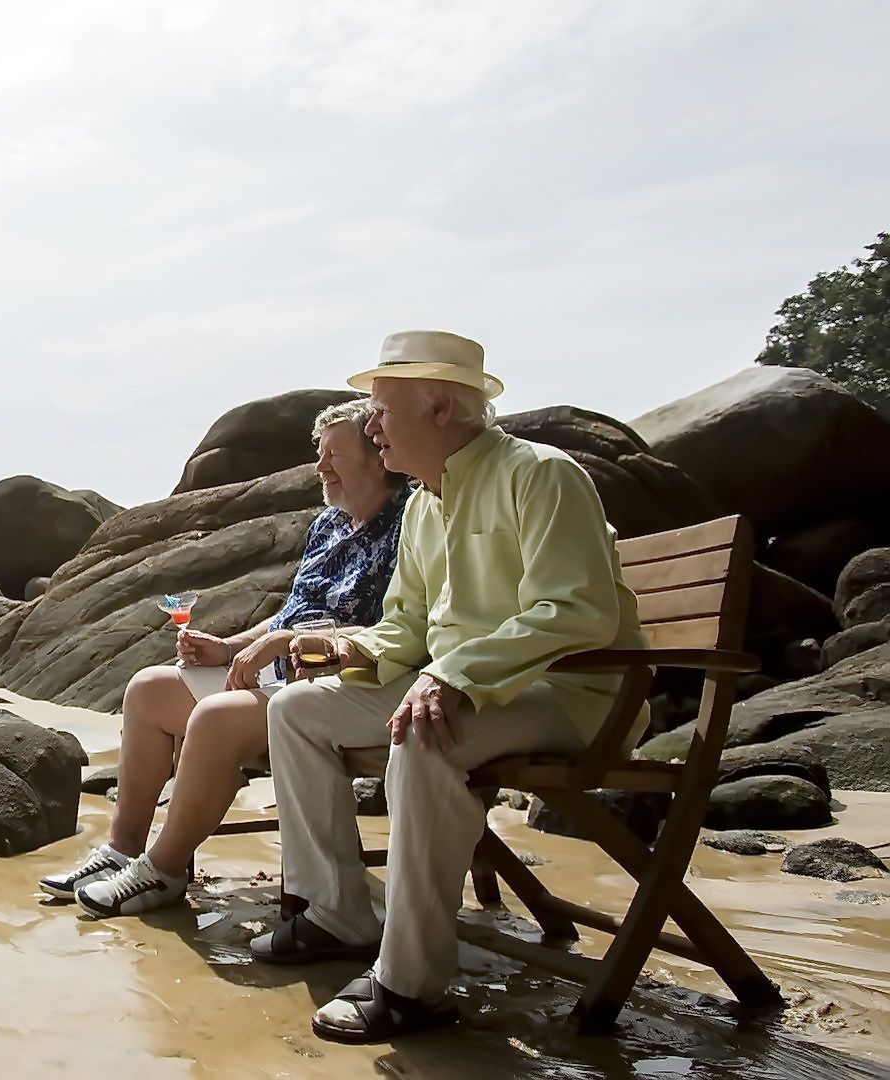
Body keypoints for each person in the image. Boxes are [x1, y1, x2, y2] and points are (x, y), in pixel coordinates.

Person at [247, 330, 645, 1044]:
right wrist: (335, 647)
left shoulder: (541, 474)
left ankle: (410, 984)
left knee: (424, 737)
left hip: (571, 694)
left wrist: (452, 673)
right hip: (460, 689)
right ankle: (336, 912)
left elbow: (577, 610)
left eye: (381, 411)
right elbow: (405, 629)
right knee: (299, 709)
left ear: (439, 409)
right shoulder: (422, 507)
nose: (371, 427)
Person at [42, 397, 412, 917]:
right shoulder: (328, 525)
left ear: (377, 459)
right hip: (275, 676)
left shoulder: (409, 525)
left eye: (333, 455)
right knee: (148, 689)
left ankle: (163, 870)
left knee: (214, 717)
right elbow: (291, 613)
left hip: (337, 686)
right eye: (319, 454)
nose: (320, 467)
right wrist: (231, 646)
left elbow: (402, 627)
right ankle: (121, 851)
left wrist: (291, 644)